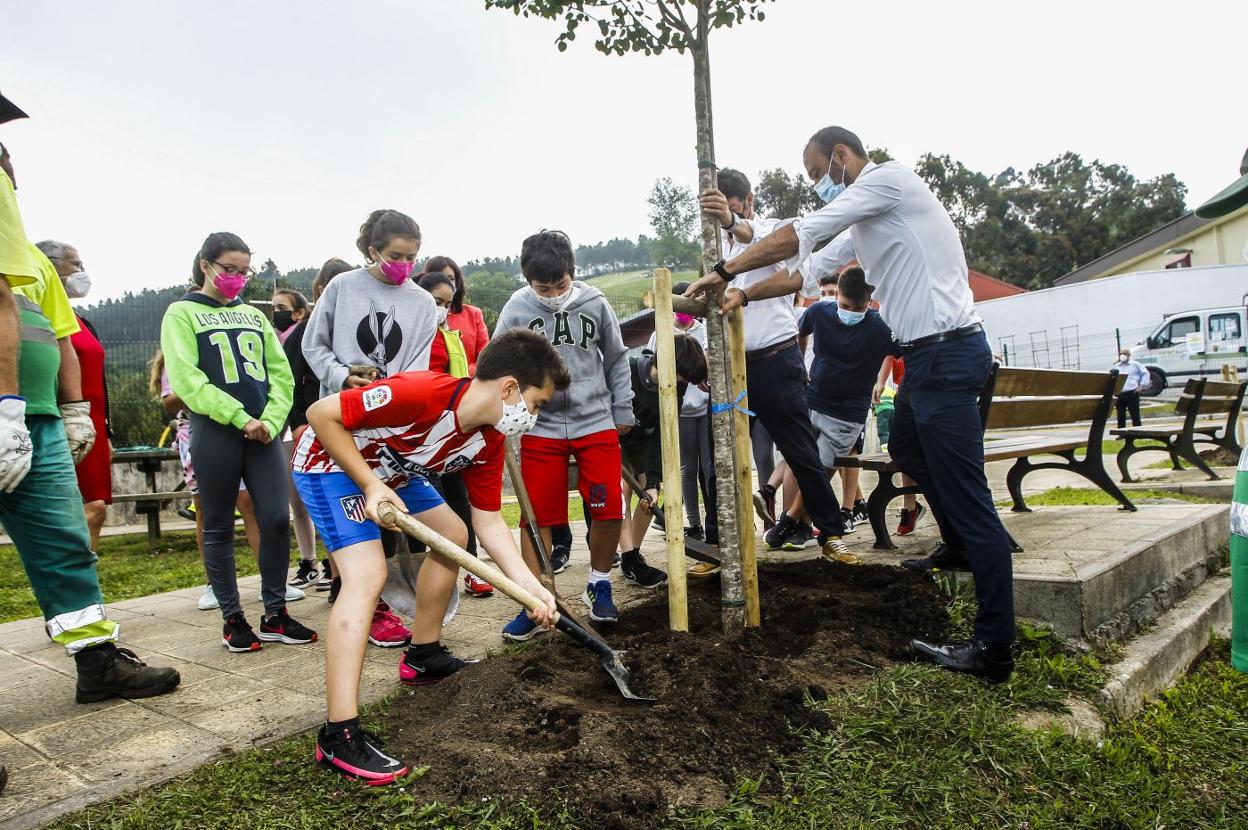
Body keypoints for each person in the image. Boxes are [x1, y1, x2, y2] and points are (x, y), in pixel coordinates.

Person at [690, 126, 1015, 683]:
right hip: (924, 358)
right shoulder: (864, 226)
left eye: (818, 173)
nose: (818, 185)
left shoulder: (886, 182)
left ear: (841, 156)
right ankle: (959, 546)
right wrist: (743, 292)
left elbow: (798, 235)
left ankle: (994, 647)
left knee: (969, 496)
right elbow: (799, 272)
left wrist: (726, 269)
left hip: (948, 351)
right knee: (908, 443)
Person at [296, 329, 561, 785]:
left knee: (453, 533)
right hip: (333, 464)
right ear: (510, 388)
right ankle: (337, 734)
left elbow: (489, 525)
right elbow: (320, 414)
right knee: (367, 574)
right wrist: (369, 483)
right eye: (536, 404)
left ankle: (423, 655)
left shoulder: (488, 440)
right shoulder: (421, 391)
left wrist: (532, 591)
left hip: (395, 471)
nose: (532, 417)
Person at [0, 93, 179, 705]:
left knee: (65, 542)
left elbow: (61, 336)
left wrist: (73, 409)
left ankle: (96, 661)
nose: (8, 166)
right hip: (11, 414)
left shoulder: (30, 260)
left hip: (39, 420)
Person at [161, 231, 316, 652]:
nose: (236, 277)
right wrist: (239, 417)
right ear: (205, 265)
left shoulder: (254, 315)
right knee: (216, 525)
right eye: (228, 269)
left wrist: (270, 418)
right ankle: (232, 619)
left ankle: (275, 612)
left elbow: (280, 373)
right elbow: (187, 379)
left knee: (275, 518)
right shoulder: (182, 313)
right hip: (215, 432)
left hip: (263, 433)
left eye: (243, 271)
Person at [696, 168, 857, 564]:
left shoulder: (775, 230)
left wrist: (733, 222)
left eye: (733, 209)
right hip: (731, 369)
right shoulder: (715, 252)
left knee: (800, 450)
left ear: (748, 201)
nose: (726, 220)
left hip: (774, 360)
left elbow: (761, 240)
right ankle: (720, 549)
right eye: (719, 213)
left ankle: (831, 534)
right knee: (722, 459)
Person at [302, 210, 438, 647]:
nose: (405, 266)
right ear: (372, 251)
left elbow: (416, 367)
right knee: (355, 528)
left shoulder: (421, 304)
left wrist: (392, 395)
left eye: (413, 258)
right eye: (395, 256)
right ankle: (367, 605)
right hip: (340, 426)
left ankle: (419, 623)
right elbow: (313, 345)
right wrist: (343, 377)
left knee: (425, 525)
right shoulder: (343, 288)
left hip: (389, 432)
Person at [494, 230, 634, 639]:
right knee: (536, 516)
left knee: (607, 505)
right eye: (543, 287)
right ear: (527, 280)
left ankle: (600, 582)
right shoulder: (517, 309)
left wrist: (622, 407)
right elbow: (497, 364)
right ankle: (535, 600)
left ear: (572, 272)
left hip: (596, 421)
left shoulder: (595, 302)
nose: (554, 293)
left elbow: (617, 356)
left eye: (561, 284)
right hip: (541, 426)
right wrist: (507, 409)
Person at [773, 268, 901, 536]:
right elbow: (801, 331)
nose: (850, 313)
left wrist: (880, 381)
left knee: (821, 470)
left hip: (846, 415)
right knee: (800, 463)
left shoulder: (880, 327)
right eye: (844, 306)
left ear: (870, 302)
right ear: (838, 296)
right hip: (813, 399)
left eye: (858, 309)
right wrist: (799, 364)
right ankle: (801, 526)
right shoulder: (821, 312)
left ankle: (790, 521)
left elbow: (905, 349)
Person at [417, 269, 493, 599]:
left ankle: (472, 568)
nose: (443, 310)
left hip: (452, 431)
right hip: (420, 435)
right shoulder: (411, 337)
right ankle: (433, 575)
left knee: (459, 498)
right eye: (436, 302)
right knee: (431, 505)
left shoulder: (451, 336)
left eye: (447, 304)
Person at [37, 239, 112, 550]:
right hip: (59, 423)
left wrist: (107, 431)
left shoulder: (82, 321)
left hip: (91, 426)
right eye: (76, 265)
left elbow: (99, 379)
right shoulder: (39, 316)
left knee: (97, 509)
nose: (82, 272)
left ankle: (86, 580)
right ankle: (73, 583)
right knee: (80, 510)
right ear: (51, 268)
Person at [284, 258, 354, 595]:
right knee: (333, 502)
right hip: (317, 427)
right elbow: (288, 380)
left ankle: (343, 574)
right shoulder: (305, 332)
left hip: (353, 426)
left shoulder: (354, 327)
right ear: (321, 290)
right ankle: (339, 576)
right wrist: (298, 422)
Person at [615, 335, 707, 583]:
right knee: (621, 488)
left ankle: (631, 553)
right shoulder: (629, 370)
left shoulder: (677, 387)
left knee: (648, 495)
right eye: (681, 378)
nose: (681, 385)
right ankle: (629, 558)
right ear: (666, 363)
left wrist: (653, 483)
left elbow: (662, 437)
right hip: (613, 437)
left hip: (643, 441)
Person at [645, 282, 716, 545]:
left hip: (705, 408)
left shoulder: (705, 331)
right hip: (681, 412)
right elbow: (651, 364)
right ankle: (693, 523)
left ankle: (713, 522)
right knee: (687, 468)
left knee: (709, 467)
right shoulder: (661, 333)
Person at [269, 288, 321, 588]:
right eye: (274, 307)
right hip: (290, 428)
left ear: (300, 311)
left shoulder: (307, 334)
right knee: (298, 501)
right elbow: (283, 381)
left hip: (311, 423)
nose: (277, 312)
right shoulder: (277, 339)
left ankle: (331, 563)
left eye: (282, 307)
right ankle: (308, 560)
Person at [424, 255, 490, 373]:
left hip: (468, 385)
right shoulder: (418, 317)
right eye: (439, 277)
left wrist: (464, 372)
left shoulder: (473, 314)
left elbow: (485, 358)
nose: (445, 283)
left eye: (451, 278)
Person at [1112, 348, 1150, 429]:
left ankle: (1138, 431)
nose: (1123, 355)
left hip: (1132, 392)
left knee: (1135, 414)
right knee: (1121, 415)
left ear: (1129, 355)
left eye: (1125, 353)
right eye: (1121, 353)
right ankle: (1121, 433)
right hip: (1120, 393)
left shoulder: (1135, 365)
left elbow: (1145, 373)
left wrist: (1141, 385)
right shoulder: (1116, 366)